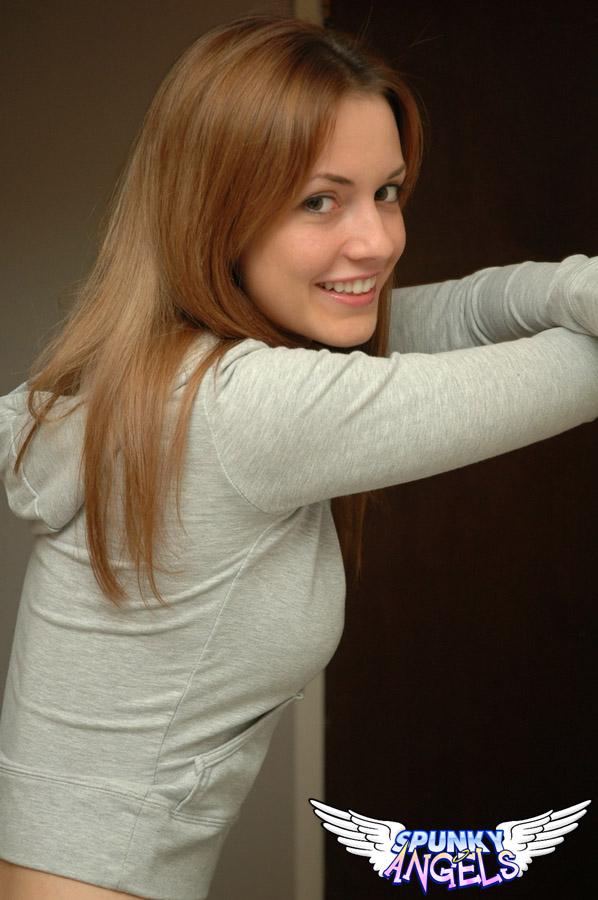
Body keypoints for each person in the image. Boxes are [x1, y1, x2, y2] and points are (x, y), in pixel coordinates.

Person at [1, 13, 597, 900]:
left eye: (387, 192)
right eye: (320, 201)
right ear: (217, 210)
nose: (376, 242)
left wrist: (577, 282)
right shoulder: (241, 409)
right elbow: (571, 373)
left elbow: (477, 310)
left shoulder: (168, 371)